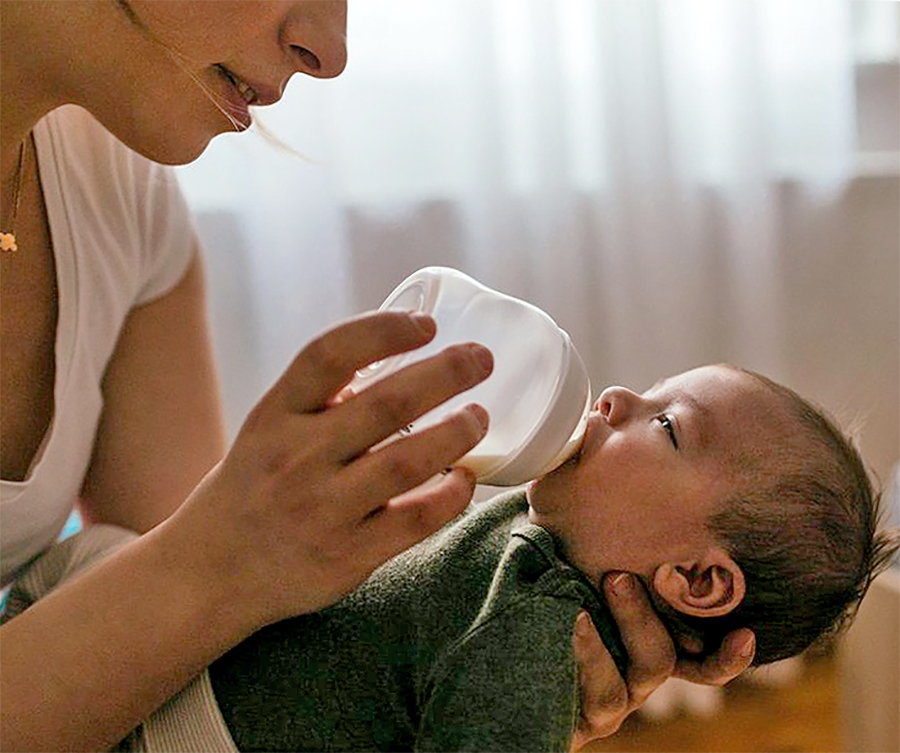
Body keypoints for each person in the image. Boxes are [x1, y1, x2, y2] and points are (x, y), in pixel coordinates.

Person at [0, 3, 754, 751]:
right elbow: (188, 578)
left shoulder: (120, 193)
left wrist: (454, 677)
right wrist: (221, 559)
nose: (331, 50)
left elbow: (180, 653)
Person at [208, 365, 899, 751]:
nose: (618, 396)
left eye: (664, 424)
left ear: (697, 577)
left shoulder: (533, 638)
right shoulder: (551, 530)